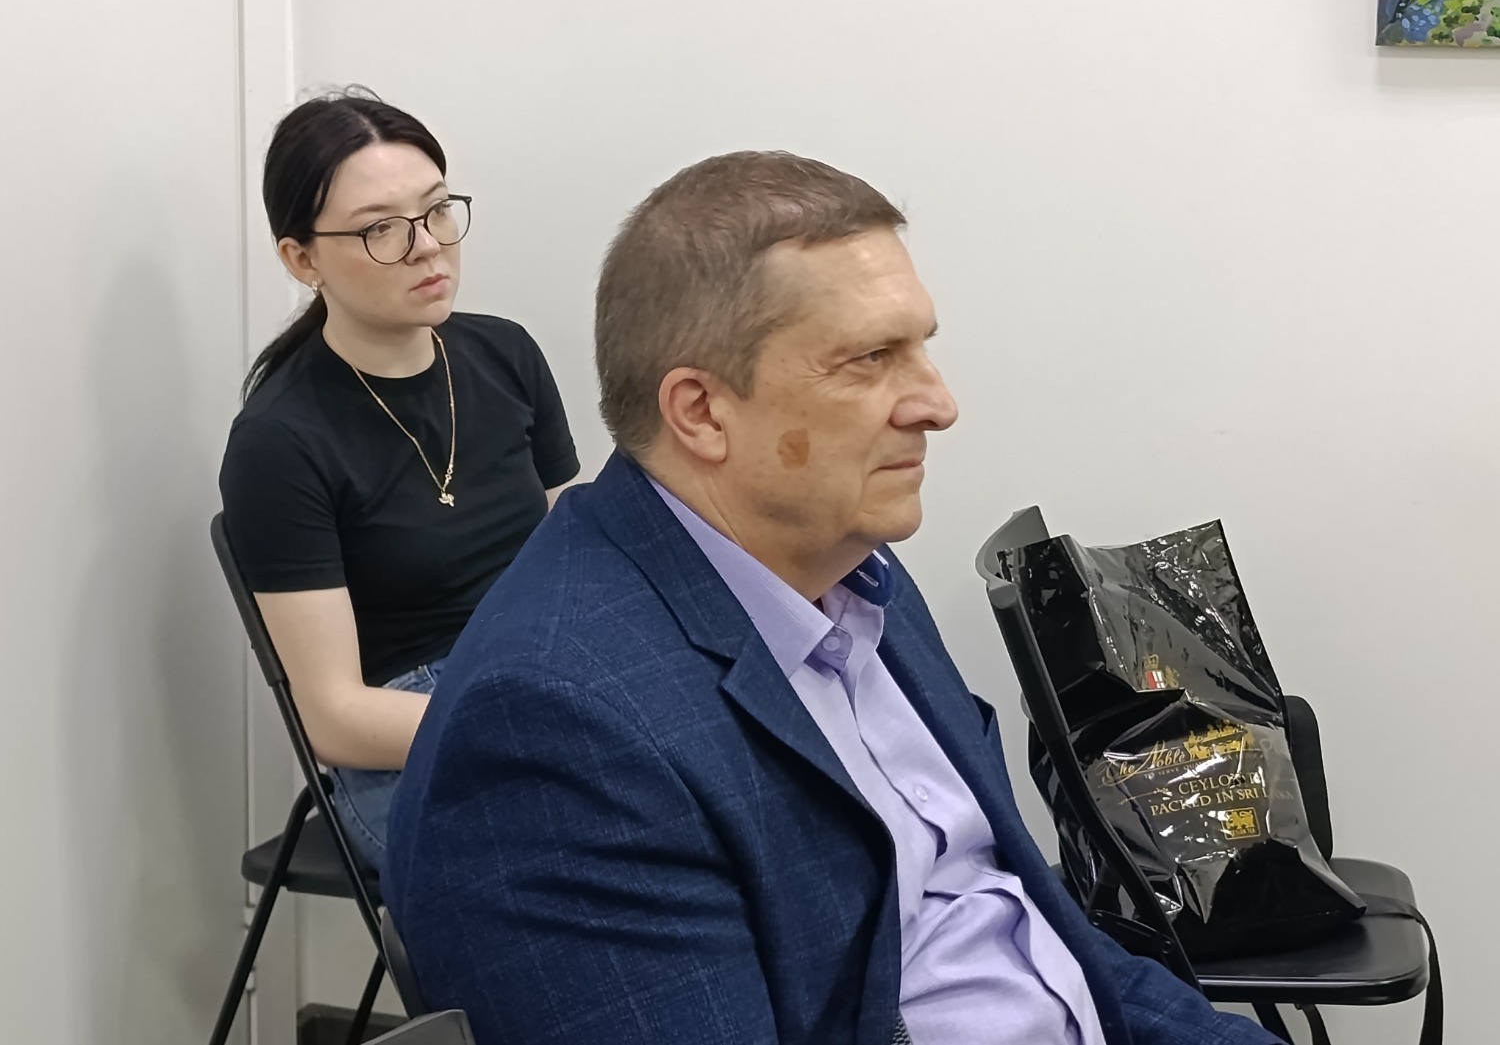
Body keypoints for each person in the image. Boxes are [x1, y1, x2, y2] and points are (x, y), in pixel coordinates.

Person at [384, 152, 1276, 1045]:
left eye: (921, 346)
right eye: (871, 358)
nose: (938, 403)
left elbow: (1042, 938)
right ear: (701, 411)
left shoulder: (853, 572)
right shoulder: (559, 729)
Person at [218, 90, 580, 872]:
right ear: (302, 259)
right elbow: (335, 717)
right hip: (405, 736)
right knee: (597, 860)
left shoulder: (507, 356)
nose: (427, 247)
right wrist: (526, 722)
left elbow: (576, 567)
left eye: (437, 210)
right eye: (380, 228)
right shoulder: (280, 441)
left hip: (540, 674)